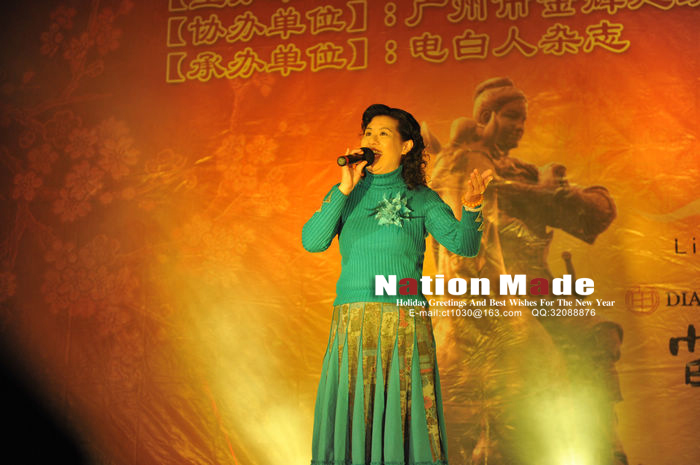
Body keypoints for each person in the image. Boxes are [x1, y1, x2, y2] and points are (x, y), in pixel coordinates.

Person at [430, 78, 626, 465]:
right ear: (485, 117)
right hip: (481, 289)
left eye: (523, 118)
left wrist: (559, 192)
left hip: (536, 290)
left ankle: (604, 444)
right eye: (511, 116)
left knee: (598, 338)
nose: (520, 126)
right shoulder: (460, 162)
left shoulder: (523, 174)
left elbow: (595, 213)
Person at [302, 104, 492, 465]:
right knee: (355, 419)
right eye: (368, 132)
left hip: (404, 323)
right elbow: (312, 242)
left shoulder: (421, 197)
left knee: (403, 420)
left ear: (405, 146)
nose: (371, 139)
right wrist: (344, 188)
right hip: (354, 324)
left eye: (383, 133)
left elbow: (464, 245)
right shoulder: (346, 193)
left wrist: (472, 206)